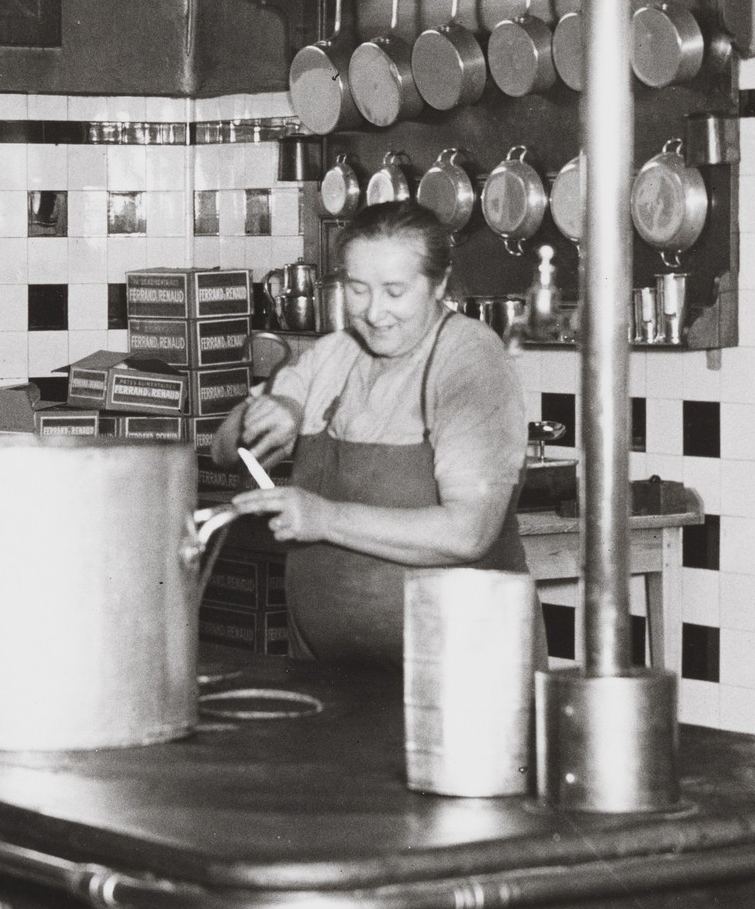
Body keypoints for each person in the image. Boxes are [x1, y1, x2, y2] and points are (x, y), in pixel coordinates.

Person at [218, 202, 527, 666]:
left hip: (457, 674)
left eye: (395, 292)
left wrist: (324, 518)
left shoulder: (469, 359)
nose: (374, 312)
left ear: (438, 285)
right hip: (330, 673)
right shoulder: (336, 353)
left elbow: (470, 533)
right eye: (358, 290)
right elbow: (223, 449)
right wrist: (267, 412)